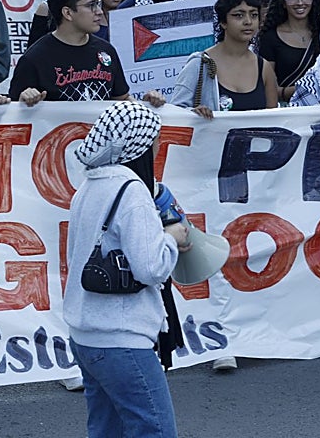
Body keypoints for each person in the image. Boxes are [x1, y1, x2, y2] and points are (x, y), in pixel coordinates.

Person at [65, 101, 189, 438]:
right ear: (139, 146)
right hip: (122, 336)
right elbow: (151, 268)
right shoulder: (133, 191)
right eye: (155, 140)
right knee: (156, 431)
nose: (158, 147)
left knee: (107, 431)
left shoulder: (88, 187)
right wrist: (170, 238)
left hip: (86, 334)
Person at [9, 0, 130, 105]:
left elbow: (122, 100)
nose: (99, 12)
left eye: (98, 4)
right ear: (67, 13)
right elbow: (15, 115)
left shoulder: (106, 50)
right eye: (91, 6)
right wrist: (25, 98)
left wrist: (148, 105)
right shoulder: (34, 59)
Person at [170, 0, 277, 120]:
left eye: (254, 15)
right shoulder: (200, 64)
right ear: (223, 22)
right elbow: (175, 112)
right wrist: (193, 113)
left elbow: (274, 122)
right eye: (239, 15)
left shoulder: (264, 68)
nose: (248, 21)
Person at [257, 0, 320, 103]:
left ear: (314, 0)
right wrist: (302, 89)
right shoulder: (270, 37)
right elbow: (266, 87)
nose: (300, 2)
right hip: (287, 112)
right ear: (282, 1)